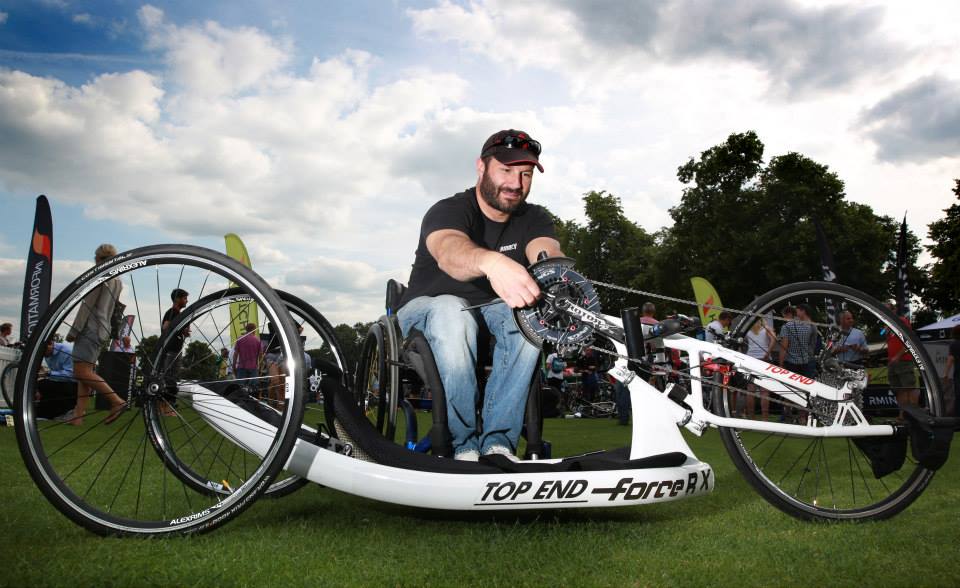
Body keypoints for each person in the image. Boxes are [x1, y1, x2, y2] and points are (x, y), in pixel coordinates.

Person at [396, 129, 562, 461]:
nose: (516, 183)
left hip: (493, 316)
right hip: (428, 313)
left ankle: (498, 444)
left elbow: (547, 254)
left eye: (525, 174)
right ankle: (462, 445)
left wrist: (556, 277)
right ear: (481, 167)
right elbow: (449, 251)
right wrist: (491, 261)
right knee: (450, 309)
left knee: (527, 319)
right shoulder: (449, 210)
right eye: (506, 170)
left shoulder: (535, 218)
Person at [65, 244, 126, 426]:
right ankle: (78, 415)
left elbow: (87, 305)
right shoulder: (118, 281)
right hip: (104, 329)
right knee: (86, 374)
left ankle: (116, 401)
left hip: (90, 328)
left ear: (98, 259)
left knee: (81, 371)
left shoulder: (99, 277)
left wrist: (74, 331)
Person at [160, 288, 190, 416]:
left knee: (170, 379)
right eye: (184, 298)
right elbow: (165, 327)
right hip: (171, 351)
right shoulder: (173, 312)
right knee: (169, 379)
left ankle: (163, 408)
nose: (186, 301)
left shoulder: (177, 313)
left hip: (175, 350)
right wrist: (180, 329)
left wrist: (183, 331)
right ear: (177, 299)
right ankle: (166, 409)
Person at [885, 305, 918, 415]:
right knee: (898, 389)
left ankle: (915, 414)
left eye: (887, 309)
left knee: (909, 387)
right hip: (892, 362)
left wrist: (898, 356)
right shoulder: (888, 325)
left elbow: (909, 341)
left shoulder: (902, 321)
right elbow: (888, 340)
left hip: (904, 361)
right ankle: (902, 415)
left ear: (894, 310)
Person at [745, 317, 777, 419]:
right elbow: (774, 339)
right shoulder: (766, 328)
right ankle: (765, 417)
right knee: (765, 391)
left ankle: (751, 417)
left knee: (750, 390)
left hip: (750, 359)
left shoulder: (747, 330)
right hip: (764, 360)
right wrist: (768, 352)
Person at [944, 325, 959, 417]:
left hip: (958, 373)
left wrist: (946, 373)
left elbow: (950, 359)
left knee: (958, 395)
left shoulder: (954, 344)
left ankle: (958, 416)